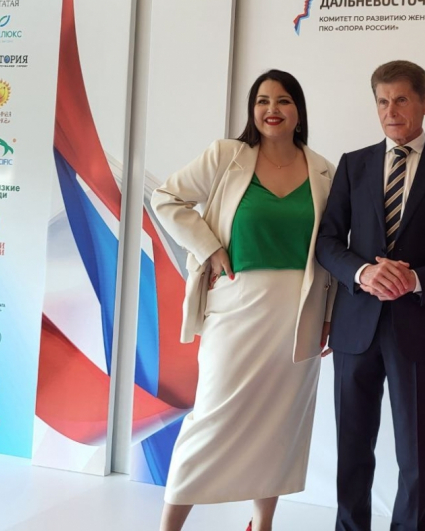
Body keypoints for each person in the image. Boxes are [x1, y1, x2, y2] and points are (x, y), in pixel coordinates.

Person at [151, 70, 336, 531]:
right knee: (212, 416)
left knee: (279, 423)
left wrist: (330, 317)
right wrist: (209, 247)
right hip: (236, 307)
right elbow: (166, 198)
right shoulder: (226, 156)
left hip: (298, 315)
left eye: (284, 100)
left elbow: (333, 249)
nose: (272, 109)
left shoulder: (325, 171)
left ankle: (262, 524)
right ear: (252, 110)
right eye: (262, 101)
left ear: (299, 112)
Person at [316, 60, 425, 531]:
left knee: (415, 454)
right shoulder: (354, 164)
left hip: (418, 329)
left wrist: (416, 279)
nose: (391, 111)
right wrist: (363, 272)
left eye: (402, 100)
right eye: (383, 101)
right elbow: (327, 242)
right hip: (355, 328)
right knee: (352, 448)